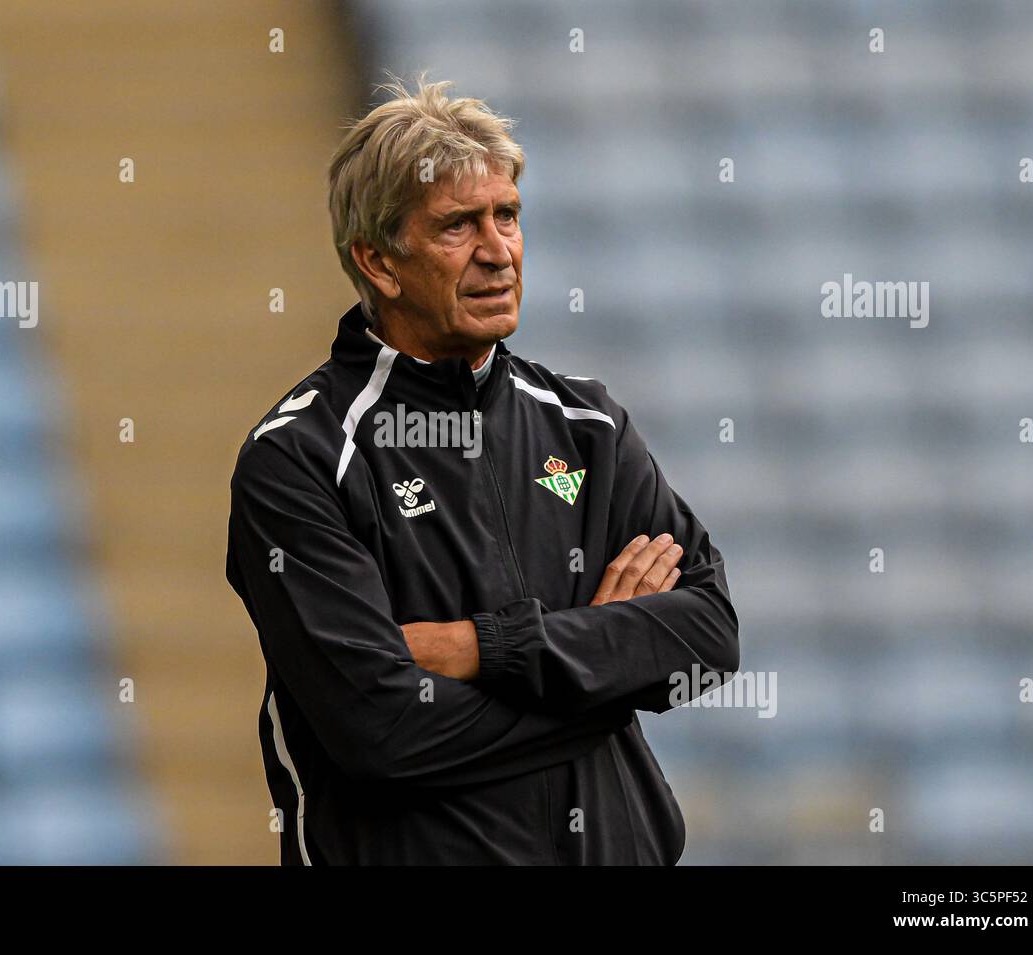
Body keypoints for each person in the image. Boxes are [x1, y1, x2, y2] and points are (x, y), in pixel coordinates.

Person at [225, 76, 739, 865]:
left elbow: (706, 635)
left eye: (508, 215)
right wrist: (605, 668)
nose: (499, 250)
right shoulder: (299, 459)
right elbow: (383, 732)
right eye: (458, 226)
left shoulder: (588, 425)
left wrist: (484, 648)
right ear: (379, 262)